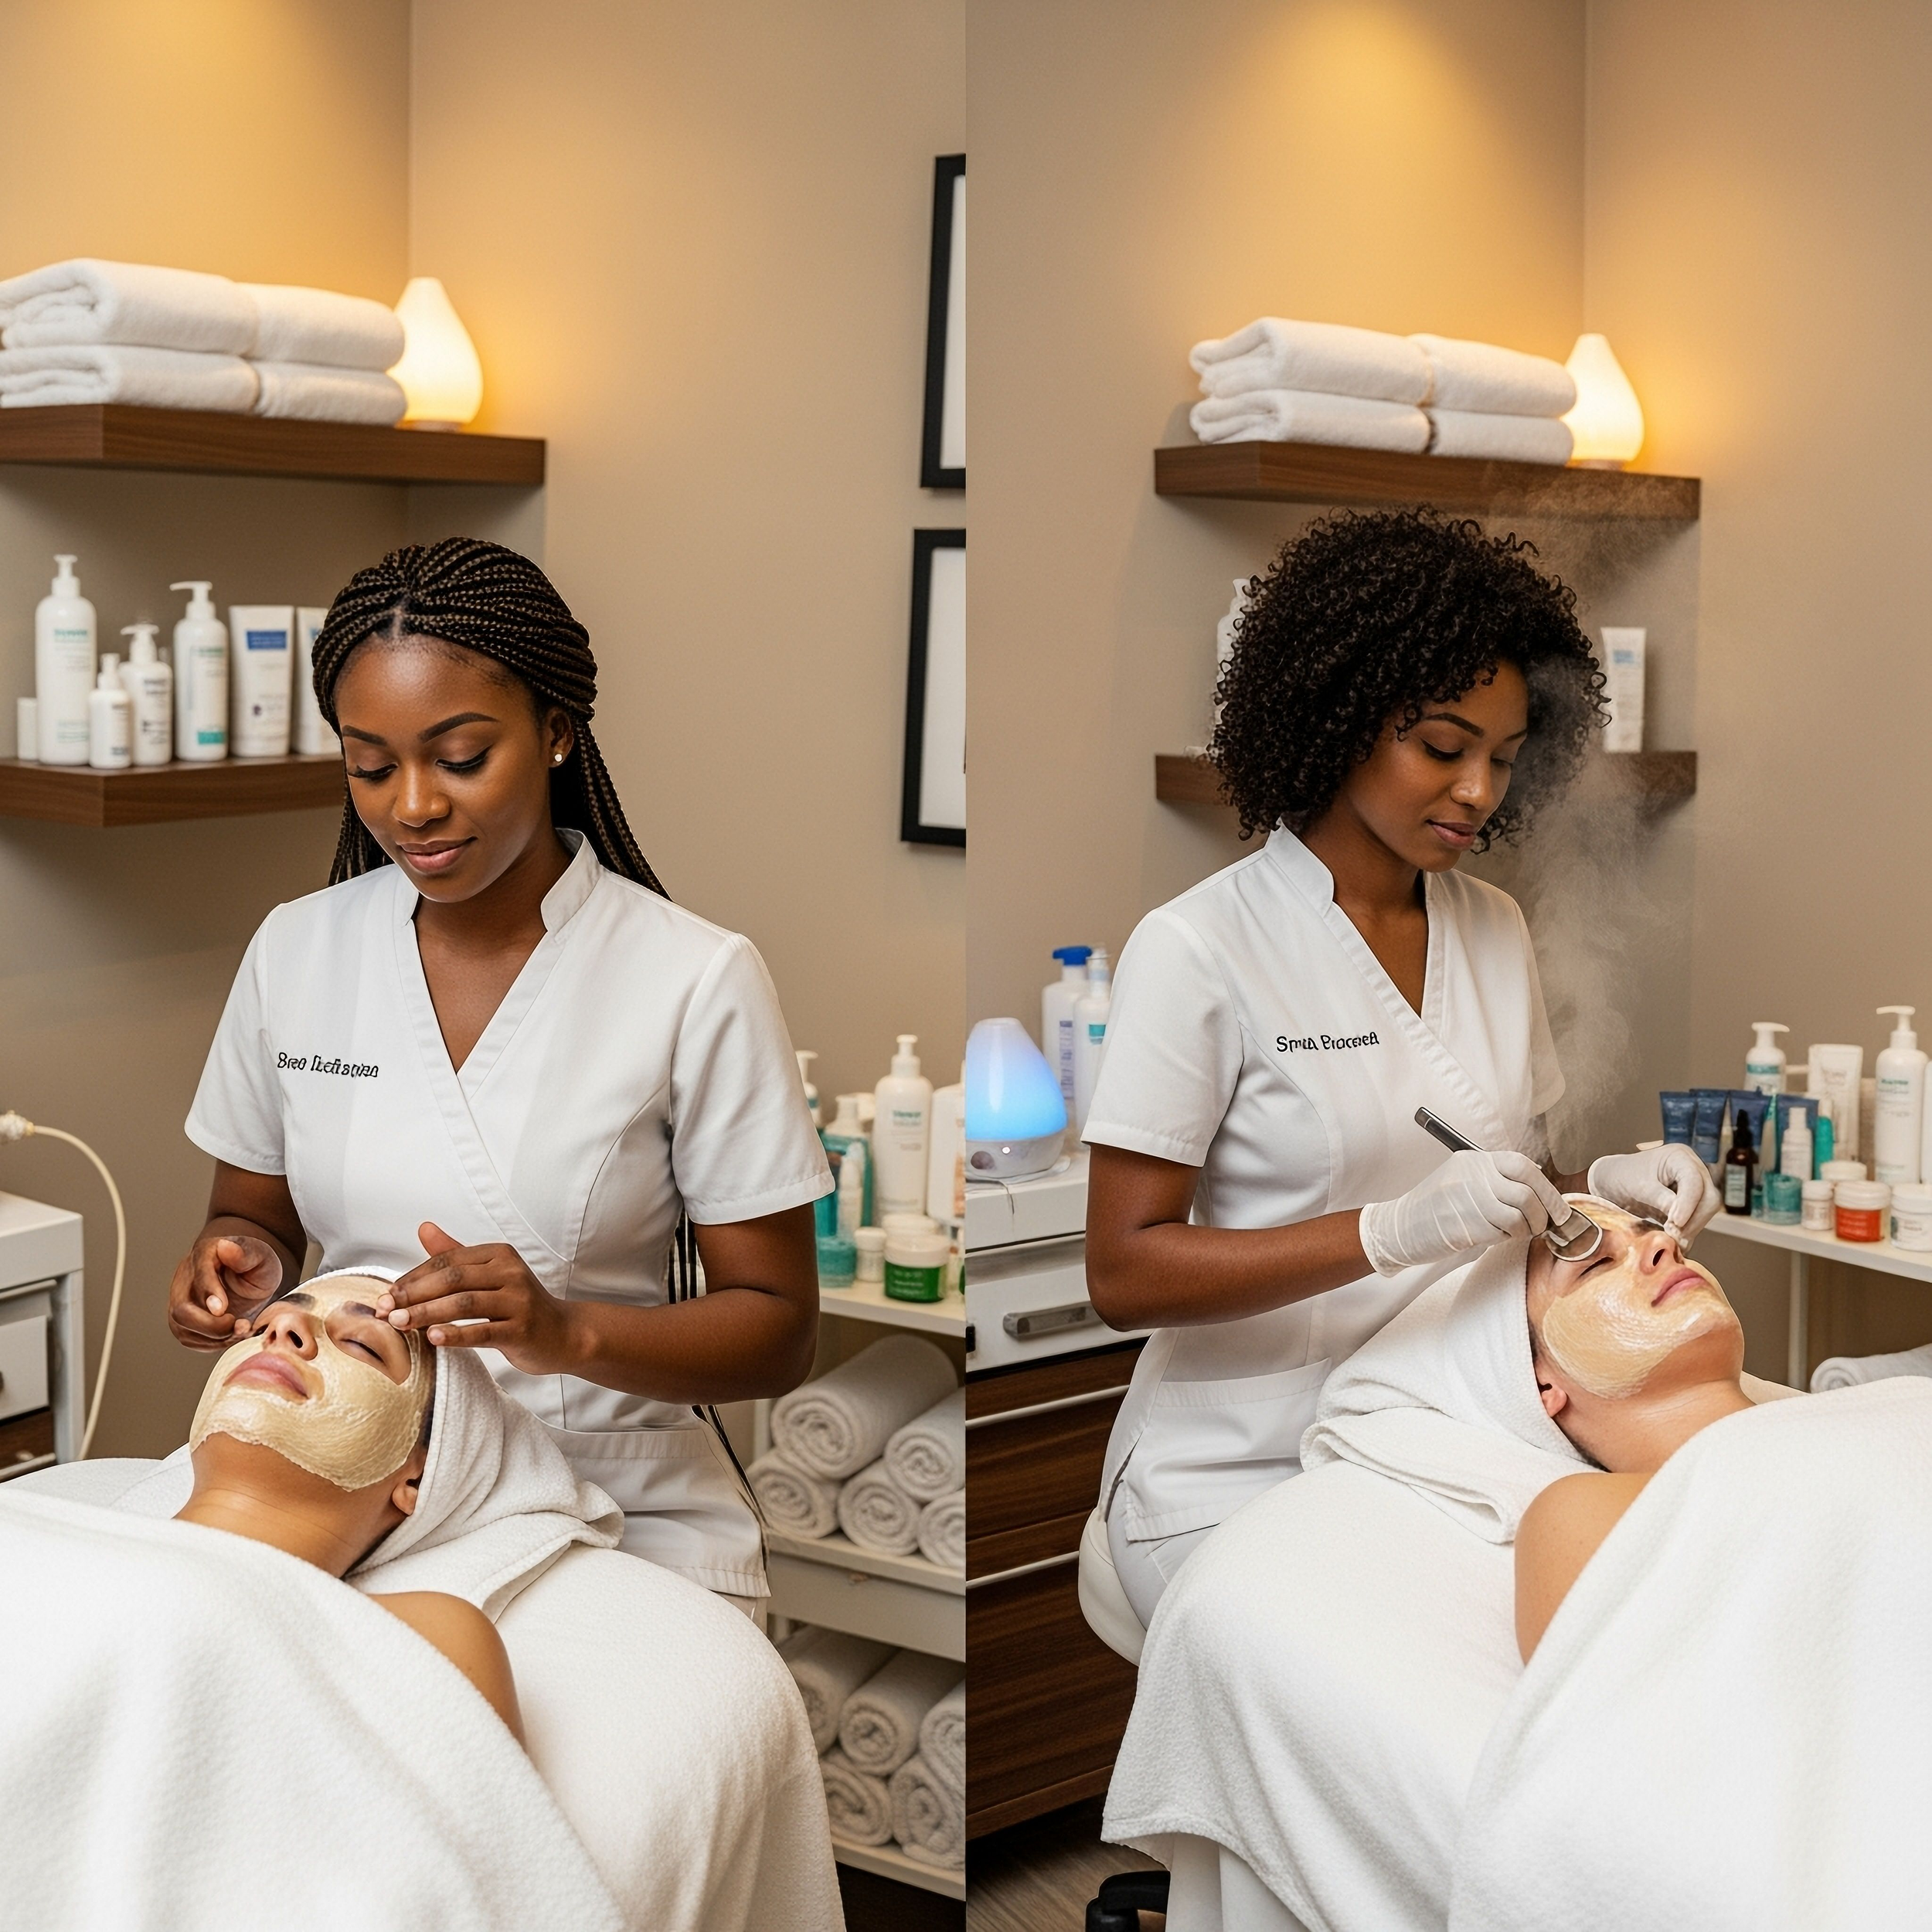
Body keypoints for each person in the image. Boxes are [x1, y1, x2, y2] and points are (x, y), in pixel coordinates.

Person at [167, 538, 832, 1613]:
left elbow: (779, 1328)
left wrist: (564, 1332)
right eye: (371, 765)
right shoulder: (298, 948)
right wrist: (236, 1258)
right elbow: (254, 1216)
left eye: (461, 756)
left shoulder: (692, 976)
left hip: (605, 1489)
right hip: (349, 1481)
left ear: (556, 732)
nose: (413, 806)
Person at [1083, 509, 1723, 1624]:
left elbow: (1511, 1173)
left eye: (1507, 760)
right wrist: (1389, 1233)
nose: (1479, 791)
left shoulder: (1492, 928)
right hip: (1239, 1456)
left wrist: (1599, 1193)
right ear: (1340, 716)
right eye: (1442, 746)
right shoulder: (1200, 948)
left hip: (1442, 1431)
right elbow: (1124, 1274)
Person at [179, 1270, 522, 1737]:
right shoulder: (49, 1531)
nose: (281, 1331)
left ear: (420, 1473)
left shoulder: (427, 1643)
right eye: (262, 1327)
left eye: (363, 1345)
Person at [1514, 1199, 1754, 1660]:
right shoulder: (1580, 1517)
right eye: (1596, 1264)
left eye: (1651, 1233)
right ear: (1540, 1380)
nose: (1665, 1243)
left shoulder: (1869, 1410)